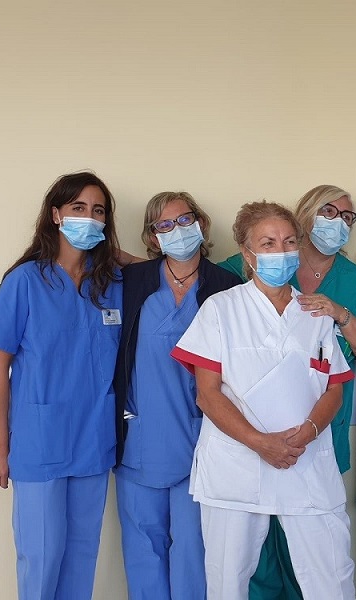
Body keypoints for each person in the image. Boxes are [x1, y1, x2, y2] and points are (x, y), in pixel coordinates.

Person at [218, 186, 356, 600]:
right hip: (253, 436)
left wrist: (340, 315)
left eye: (348, 217)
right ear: (305, 217)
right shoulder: (252, 264)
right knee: (257, 555)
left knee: (315, 556)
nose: (339, 223)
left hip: (318, 433)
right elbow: (192, 274)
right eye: (329, 212)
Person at [171, 201, 356, 600]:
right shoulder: (221, 309)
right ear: (247, 252)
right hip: (238, 464)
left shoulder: (316, 313)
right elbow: (207, 394)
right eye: (268, 243)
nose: (280, 251)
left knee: (333, 574)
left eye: (289, 242)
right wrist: (260, 443)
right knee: (227, 579)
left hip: (306, 459)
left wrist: (308, 431)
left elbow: (334, 389)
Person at [0, 172, 123, 599]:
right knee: (41, 556)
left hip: (93, 439)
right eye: (78, 208)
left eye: (98, 211)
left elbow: (159, 268)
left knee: (82, 556)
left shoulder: (112, 283)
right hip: (38, 440)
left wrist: (116, 254)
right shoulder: (26, 281)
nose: (89, 218)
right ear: (56, 215)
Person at [113, 192, 241, 599]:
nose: (177, 230)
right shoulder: (133, 282)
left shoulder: (227, 286)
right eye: (164, 225)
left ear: (201, 223)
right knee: (143, 547)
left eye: (185, 220)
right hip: (141, 438)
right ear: (152, 237)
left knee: (194, 548)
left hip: (203, 440)